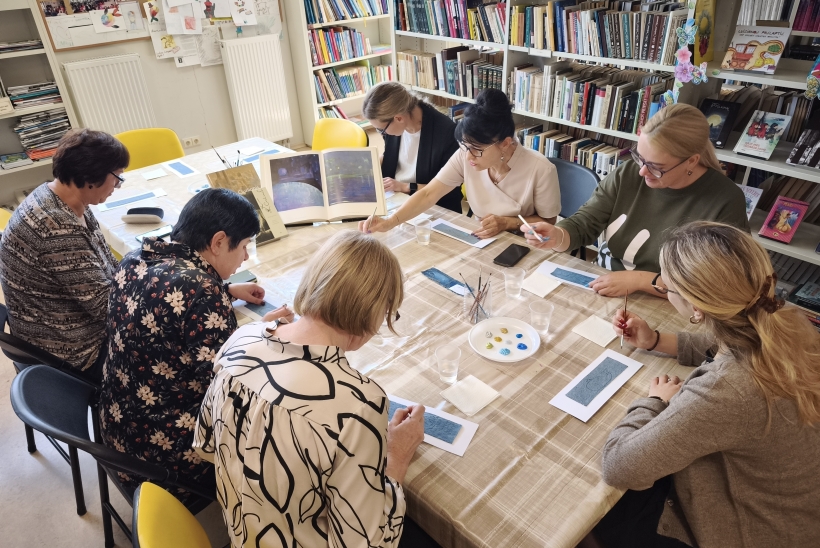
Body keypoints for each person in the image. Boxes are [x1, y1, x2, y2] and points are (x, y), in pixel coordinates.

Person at [193, 230, 426, 548]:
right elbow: (367, 543)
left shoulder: (241, 337)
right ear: (373, 311)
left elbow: (205, 445)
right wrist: (397, 457)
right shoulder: (359, 404)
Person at [595, 221, 820, 548]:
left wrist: (654, 402)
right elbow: (737, 342)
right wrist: (655, 340)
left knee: (603, 518)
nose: (662, 288)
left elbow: (619, 467)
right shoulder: (790, 321)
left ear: (697, 308)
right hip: (796, 508)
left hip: (755, 530)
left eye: (665, 287)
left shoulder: (727, 391)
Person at [98, 188, 292, 503]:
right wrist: (265, 330)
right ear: (218, 242)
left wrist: (226, 289)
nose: (245, 257)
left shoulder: (135, 258)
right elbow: (231, 385)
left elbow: (164, 301)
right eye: (244, 246)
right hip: (162, 460)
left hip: (118, 430)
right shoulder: (203, 293)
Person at [522, 103, 749, 297]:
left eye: (656, 167)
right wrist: (558, 235)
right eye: (640, 157)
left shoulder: (725, 201)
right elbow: (586, 222)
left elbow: (716, 284)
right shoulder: (629, 173)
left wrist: (640, 281)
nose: (642, 172)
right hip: (606, 282)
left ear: (691, 161)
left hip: (675, 302)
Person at [0, 129, 128, 382]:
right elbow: (108, 309)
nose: (117, 186)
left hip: (56, 327)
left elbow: (106, 264)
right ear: (91, 176)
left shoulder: (61, 198)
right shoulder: (56, 228)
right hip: (72, 351)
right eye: (117, 177)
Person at [361, 89, 561, 239]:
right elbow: (429, 194)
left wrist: (508, 223)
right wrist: (390, 222)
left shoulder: (541, 169)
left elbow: (549, 221)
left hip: (526, 241)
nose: (468, 157)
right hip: (481, 235)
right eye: (465, 146)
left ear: (505, 144)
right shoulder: (465, 154)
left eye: (477, 150)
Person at [363, 82, 464, 213]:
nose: (382, 134)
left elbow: (448, 190)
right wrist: (368, 168)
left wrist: (404, 186)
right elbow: (392, 155)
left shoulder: (447, 133)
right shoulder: (395, 125)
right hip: (395, 198)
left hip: (432, 206)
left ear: (399, 118)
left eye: (381, 130)